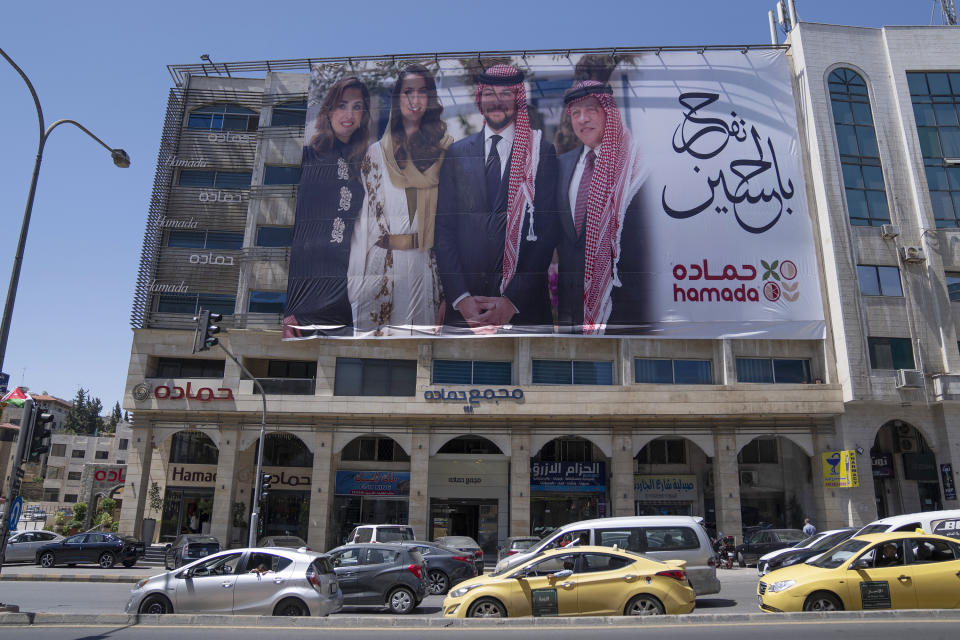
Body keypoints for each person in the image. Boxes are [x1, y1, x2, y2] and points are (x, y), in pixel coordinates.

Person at [435, 63, 559, 334]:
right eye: (489, 93)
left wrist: (510, 301)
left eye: (506, 93)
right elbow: (444, 233)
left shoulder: (541, 153)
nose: (497, 101)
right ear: (479, 99)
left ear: (518, 99)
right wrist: (461, 299)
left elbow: (547, 233)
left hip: (522, 311)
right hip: (466, 314)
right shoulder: (456, 155)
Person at [348, 64, 453, 335]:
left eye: (422, 92)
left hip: (425, 268)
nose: (414, 100)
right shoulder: (375, 154)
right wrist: (357, 285)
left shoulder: (446, 151)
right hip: (381, 267)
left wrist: (449, 293)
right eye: (407, 92)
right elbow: (364, 224)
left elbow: (453, 225)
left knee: (419, 355)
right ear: (397, 98)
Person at [555, 81, 649, 335]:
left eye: (591, 110)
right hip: (571, 315)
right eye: (576, 113)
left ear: (608, 111)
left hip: (628, 312)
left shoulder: (638, 164)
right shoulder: (561, 165)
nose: (583, 119)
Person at [284, 76, 372, 338]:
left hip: (346, 293)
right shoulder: (308, 157)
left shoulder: (366, 163)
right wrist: (290, 306)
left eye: (357, 107)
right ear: (329, 109)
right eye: (342, 105)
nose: (349, 114)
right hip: (304, 297)